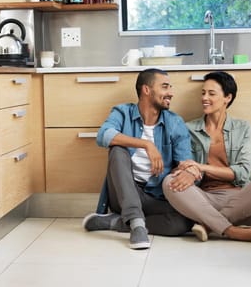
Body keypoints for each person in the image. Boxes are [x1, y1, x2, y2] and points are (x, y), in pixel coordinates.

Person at [163, 71, 251, 244]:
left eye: (211, 94)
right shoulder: (188, 129)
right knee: (169, 182)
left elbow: (242, 172)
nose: (205, 97)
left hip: (244, 202)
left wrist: (201, 166)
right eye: (203, 93)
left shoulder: (243, 128)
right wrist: (189, 171)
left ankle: (210, 226)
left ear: (227, 97)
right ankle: (233, 231)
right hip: (205, 201)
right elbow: (183, 164)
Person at [82, 68, 193, 250]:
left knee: (183, 222)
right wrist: (146, 145)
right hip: (124, 194)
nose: (171, 93)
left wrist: (184, 172)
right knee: (117, 149)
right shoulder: (123, 112)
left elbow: (185, 162)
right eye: (165, 87)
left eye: (170, 87)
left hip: (156, 196)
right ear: (146, 90)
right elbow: (103, 135)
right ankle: (136, 224)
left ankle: (119, 222)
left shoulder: (175, 123)